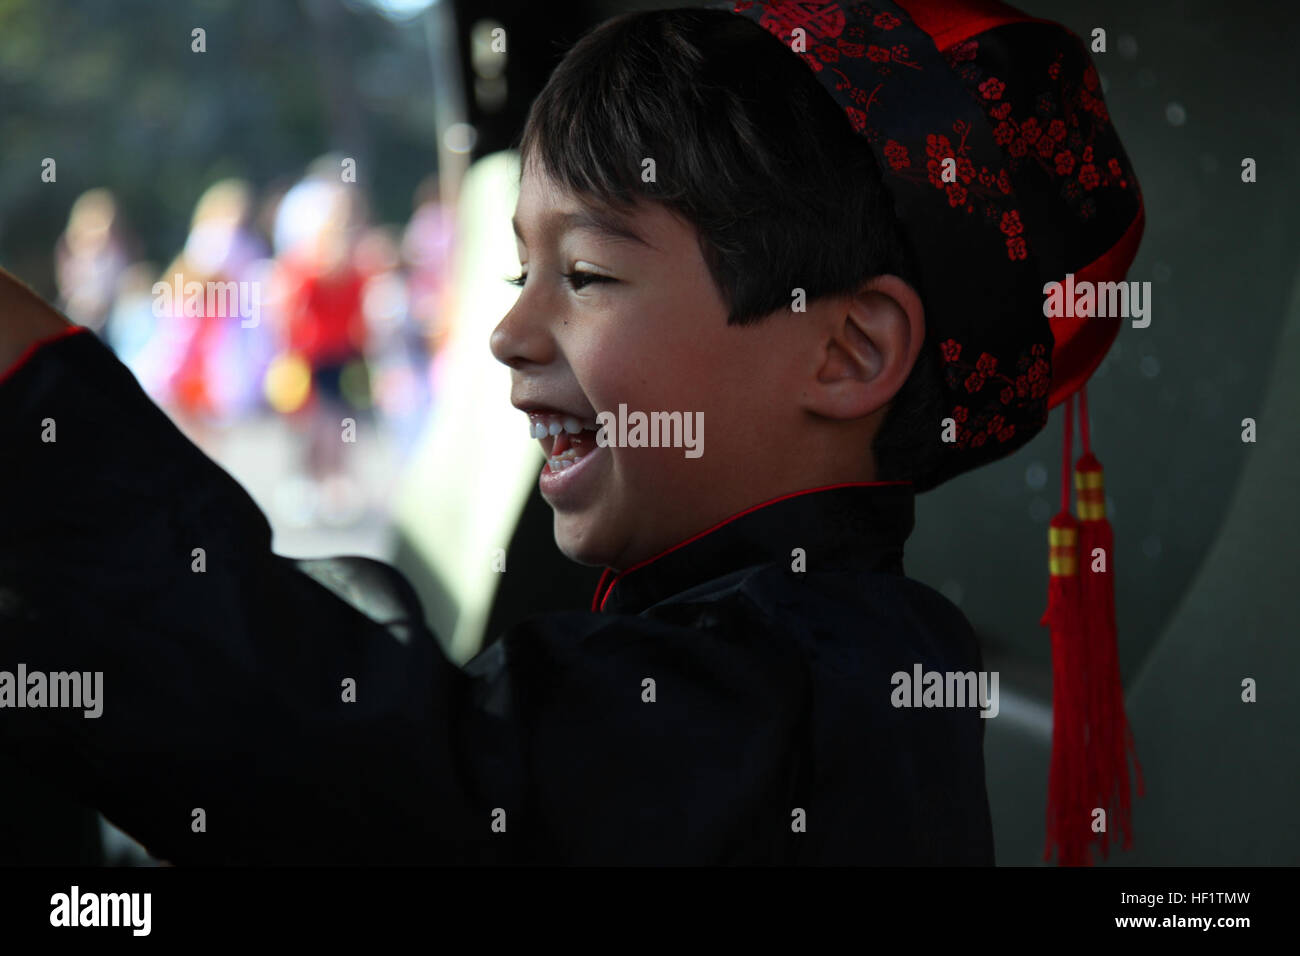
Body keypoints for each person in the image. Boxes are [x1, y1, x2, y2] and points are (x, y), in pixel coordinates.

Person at [0, 0, 1143, 865]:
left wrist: (33, 411)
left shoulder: (804, 683)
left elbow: (382, 774)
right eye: (517, 268)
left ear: (842, 353)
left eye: (585, 273)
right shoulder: (786, 643)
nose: (505, 329)